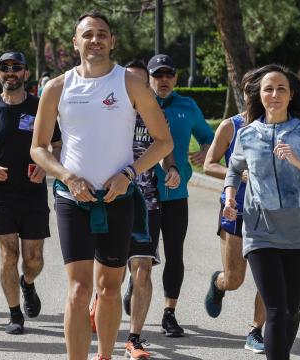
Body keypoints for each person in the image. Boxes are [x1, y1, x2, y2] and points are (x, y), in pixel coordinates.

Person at [30, 11, 173, 360]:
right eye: (88, 34)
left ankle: (105, 356)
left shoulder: (130, 84)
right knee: (79, 289)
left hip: (118, 197)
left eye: (102, 34)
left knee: (109, 288)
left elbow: (163, 141)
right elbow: (38, 148)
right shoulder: (58, 87)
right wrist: (66, 175)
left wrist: (128, 174)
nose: (95, 40)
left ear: (112, 41)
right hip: (72, 198)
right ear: (76, 42)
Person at [223, 64, 300, 360]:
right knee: (274, 310)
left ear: (291, 94)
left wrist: (298, 162)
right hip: (260, 231)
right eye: (268, 89)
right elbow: (233, 170)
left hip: (297, 231)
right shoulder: (247, 134)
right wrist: (230, 196)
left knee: (290, 311)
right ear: (259, 95)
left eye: (281, 89)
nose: (274, 94)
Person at [0, 51, 55, 335]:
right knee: (8, 255)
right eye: (4, 67)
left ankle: (28, 283)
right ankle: (15, 314)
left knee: (34, 260)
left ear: (25, 74)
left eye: (15, 68)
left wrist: (46, 167)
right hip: (0, 194)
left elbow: (58, 143)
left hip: (32, 193)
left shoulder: (40, 106)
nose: (9, 72)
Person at [145, 53, 214, 337]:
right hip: (143, 192)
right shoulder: (139, 105)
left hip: (176, 193)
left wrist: (206, 152)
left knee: (174, 254)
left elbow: (210, 136)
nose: (163, 80)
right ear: (149, 78)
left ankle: (169, 313)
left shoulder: (188, 105)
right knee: (142, 255)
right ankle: (133, 288)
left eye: (168, 75)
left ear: (175, 78)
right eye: (157, 75)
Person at [117, 59, 179, 359]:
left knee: (142, 269)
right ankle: (98, 305)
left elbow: (166, 149)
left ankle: (134, 338)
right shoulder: (108, 115)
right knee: (110, 275)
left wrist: (172, 168)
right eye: (130, 81)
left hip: (146, 203)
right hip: (110, 202)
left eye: (142, 83)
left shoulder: (155, 116)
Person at [203, 68, 266, 354]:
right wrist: (237, 173)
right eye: (250, 90)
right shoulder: (231, 125)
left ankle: (256, 331)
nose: (255, 95)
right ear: (243, 93)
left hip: (269, 212)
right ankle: (218, 283)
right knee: (235, 279)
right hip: (235, 209)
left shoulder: (280, 125)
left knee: (269, 277)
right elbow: (208, 163)